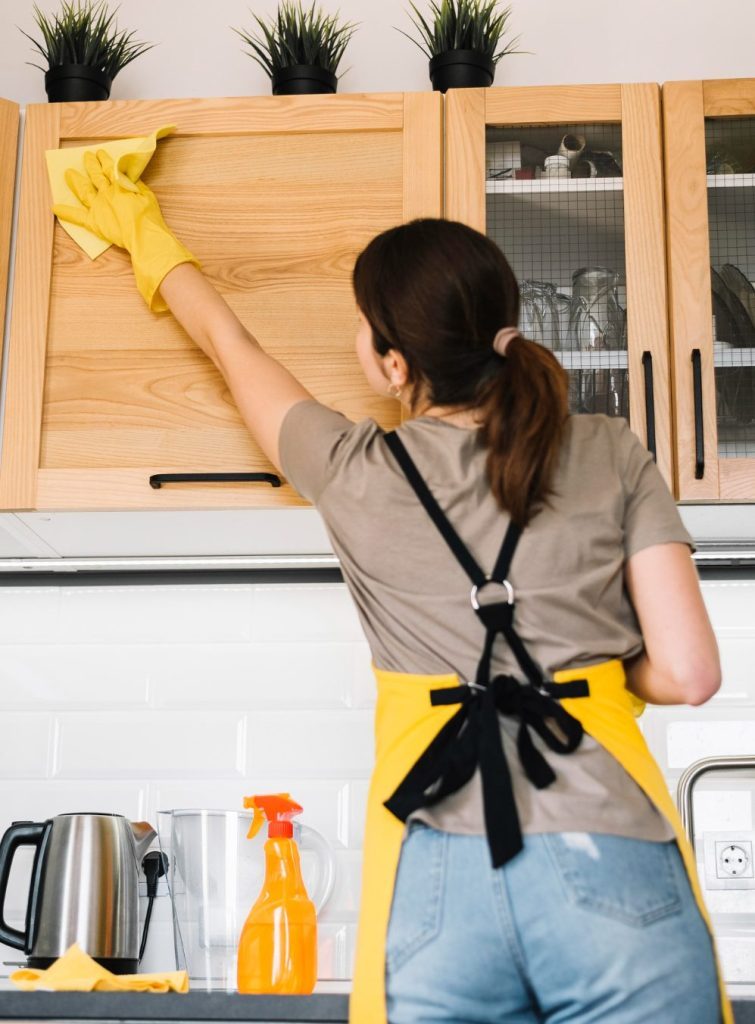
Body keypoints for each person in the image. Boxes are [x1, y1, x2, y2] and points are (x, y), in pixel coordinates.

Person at [54, 151, 729, 1024]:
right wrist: (597, 672)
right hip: (610, 842)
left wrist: (146, 233)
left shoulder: (348, 468)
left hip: (434, 861)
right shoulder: (610, 450)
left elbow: (231, 347)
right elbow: (688, 674)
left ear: (389, 361)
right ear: (504, 332)